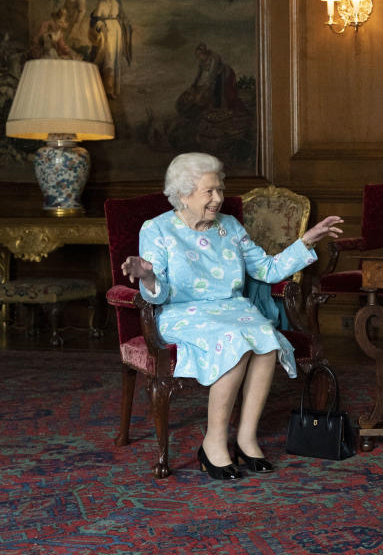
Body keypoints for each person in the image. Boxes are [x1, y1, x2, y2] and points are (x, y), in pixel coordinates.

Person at [120, 153, 344, 480]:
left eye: (219, 190)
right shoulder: (157, 229)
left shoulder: (230, 226)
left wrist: (305, 242)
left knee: (267, 342)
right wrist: (147, 276)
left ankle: (246, 437)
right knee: (237, 342)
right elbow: (160, 293)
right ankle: (213, 441)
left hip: (232, 311)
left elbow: (266, 269)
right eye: (208, 192)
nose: (218, 199)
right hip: (183, 314)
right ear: (183, 194)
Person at [89, 0, 131, 98]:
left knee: (116, 59)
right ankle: (107, 89)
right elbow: (95, 19)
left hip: (116, 32)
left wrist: (125, 24)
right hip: (107, 33)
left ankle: (113, 88)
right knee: (109, 59)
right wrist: (102, 27)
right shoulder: (101, 3)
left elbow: (120, 17)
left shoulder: (116, 3)